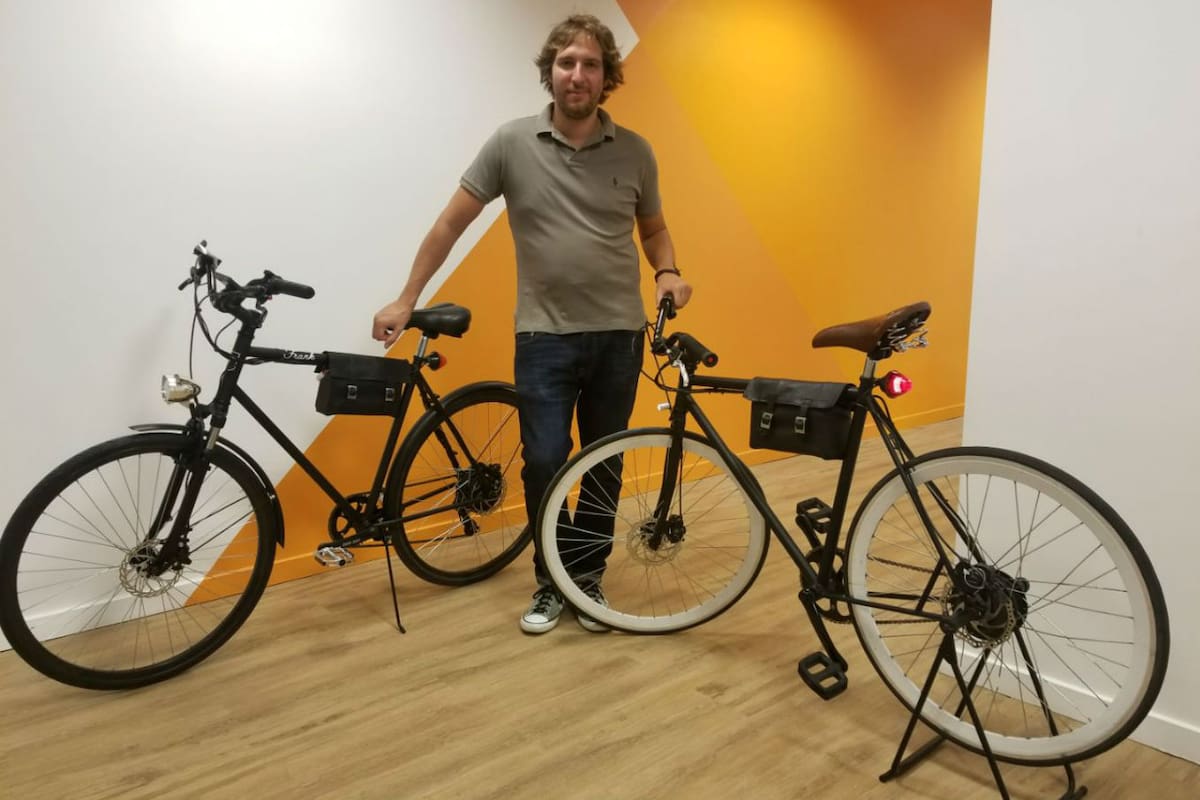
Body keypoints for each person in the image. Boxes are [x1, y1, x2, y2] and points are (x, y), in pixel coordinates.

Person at [372, 14, 692, 634]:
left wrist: (668, 271)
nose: (578, 74)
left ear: (607, 77)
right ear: (550, 70)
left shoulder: (635, 151)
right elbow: (449, 224)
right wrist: (406, 298)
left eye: (591, 64)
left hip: (618, 335)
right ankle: (554, 579)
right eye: (568, 62)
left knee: (603, 461)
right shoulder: (511, 142)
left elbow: (653, 229)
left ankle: (587, 577)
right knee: (545, 461)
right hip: (542, 336)